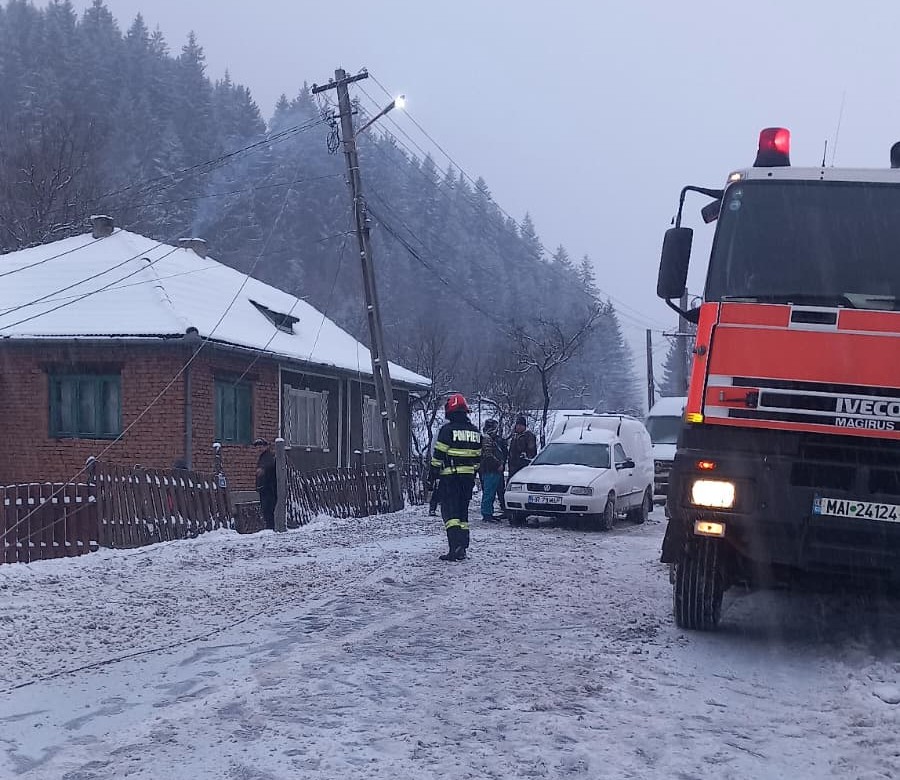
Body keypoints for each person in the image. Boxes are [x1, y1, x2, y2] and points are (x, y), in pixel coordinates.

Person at [426, 393, 482, 561]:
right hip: (468, 480)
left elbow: (438, 457)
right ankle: (463, 548)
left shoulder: (447, 430)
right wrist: (471, 473)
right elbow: (478, 458)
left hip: (450, 479)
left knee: (451, 515)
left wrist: (432, 476)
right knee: (463, 514)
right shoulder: (475, 431)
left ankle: (453, 548)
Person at [480, 419, 507, 522]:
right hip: (490, 470)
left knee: (490, 493)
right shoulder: (487, 439)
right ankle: (487, 514)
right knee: (489, 493)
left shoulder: (492, 438)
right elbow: (488, 455)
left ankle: (489, 513)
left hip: (492, 470)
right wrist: (498, 464)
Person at [254, 438, 277, 531]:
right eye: (257, 447)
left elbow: (270, 465)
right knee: (266, 510)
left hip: (269, 488)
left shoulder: (268, 456)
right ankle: (270, 528)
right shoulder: (263, 456)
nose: (259, 449)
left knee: (268, 509)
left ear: (266, 446)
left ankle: (271, 528)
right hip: (264, 488)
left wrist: (263, 469)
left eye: (261, 446)